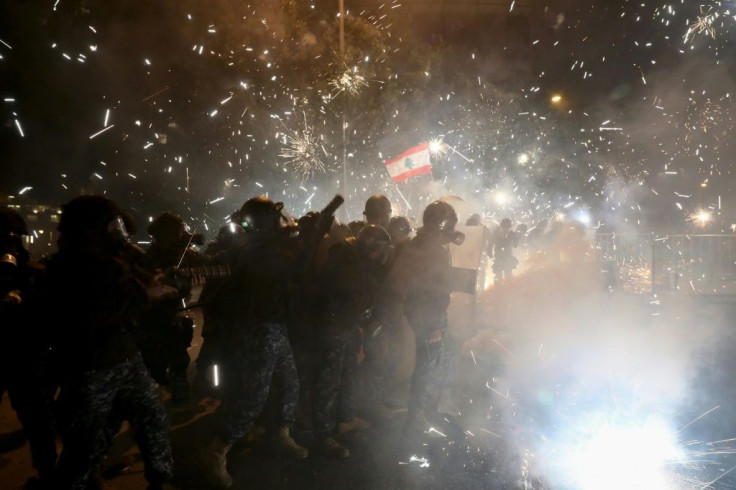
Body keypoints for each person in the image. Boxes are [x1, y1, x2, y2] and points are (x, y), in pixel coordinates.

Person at [201, 196, 336, 487]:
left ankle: (280, 435)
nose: (280, 222)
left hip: (274, 326)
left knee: (290, 384)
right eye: (273, 219)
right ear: (262, 222)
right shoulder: (253, 250)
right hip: (258, 329)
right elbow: (295, 268)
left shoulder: (261, 245)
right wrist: (313, 235)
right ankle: (217, 451)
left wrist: (312, 233)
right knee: (253, 398)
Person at [42, 196, 174, 490]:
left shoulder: (111, 259)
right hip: (90, 370)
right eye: (111, 225)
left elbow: (139, 288)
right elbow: (87, 319)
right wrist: (144, 295)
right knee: (83, 449)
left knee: (153, 421)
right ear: (91, 231)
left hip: (126, 359)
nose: (118, 232)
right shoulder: (68, 267)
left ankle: (159, 479)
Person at [311, 224, 391, 458]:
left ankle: (345, 419)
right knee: (330, 380)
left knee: (348, 372)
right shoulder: (348, 264)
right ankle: (322, 435)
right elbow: (352, 293)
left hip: (349, 325)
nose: (383, 253)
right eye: (381, 248)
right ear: (371, 247)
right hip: (335, 326)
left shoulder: (359, 262)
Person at [388, 201, 464, 434]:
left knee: (430, 362)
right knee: (427, 367)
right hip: (429, 317)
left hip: (419, 313)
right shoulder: (432, 250)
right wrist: (432, 324)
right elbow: (433, 288)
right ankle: (417, 418)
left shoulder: (416, 244)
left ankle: (423, 411)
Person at [0, 207, 57, 487]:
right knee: (38, 421)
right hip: (21, 357)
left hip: (26, 357)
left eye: (13, 239)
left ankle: (47, 474)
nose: (9, 246)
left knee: (38, 421)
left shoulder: (34, 274)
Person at [139, 212, 206, 406]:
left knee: (174, 362)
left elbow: (210, 264)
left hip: (167, 319)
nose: (184, 234)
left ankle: (175, 399)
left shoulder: (155, 256)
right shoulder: (150, 259)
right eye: (180, 231)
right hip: (157, 320)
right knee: (162, 365)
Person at [491, 218, 518, 283]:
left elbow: (515, 245)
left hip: (507, 256)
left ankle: (507, 290)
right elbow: (490, 243)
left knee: (508, 275)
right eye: (504, 226)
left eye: (507, 226)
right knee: (498, 275)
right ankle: (498, 289)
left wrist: (515, 240)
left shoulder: (511, 234)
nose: (506, 228)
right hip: (499, 256)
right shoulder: (496, 233)